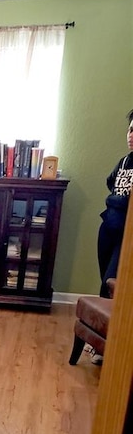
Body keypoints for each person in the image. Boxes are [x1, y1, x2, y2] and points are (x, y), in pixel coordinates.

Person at [97, 109, 133, 296]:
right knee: (104, 280)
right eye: (130, 130)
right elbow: (111, 184)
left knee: (110, 283)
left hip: (126, 235)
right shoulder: (124, 161)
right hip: (108, 228)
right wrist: (117, 200)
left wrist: (116, 201)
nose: (131, 135)